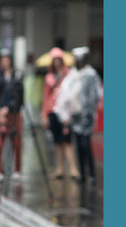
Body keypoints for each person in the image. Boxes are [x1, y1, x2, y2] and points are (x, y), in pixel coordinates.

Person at [54, 46, 102, 186]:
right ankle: (82, 173)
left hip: (86, 116)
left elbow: (95, 95)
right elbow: (65, 94)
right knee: (78, 146)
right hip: (74, 115)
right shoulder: (73, 75)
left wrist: (88, 112)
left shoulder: (91, 75)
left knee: (85, 144)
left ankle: (91, 174)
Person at [41, 47, 79, 181]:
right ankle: (60, 169)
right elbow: (45, 97)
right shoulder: (48, 77)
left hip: (65, 113)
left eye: (59, 59)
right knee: (57, 141)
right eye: (54, 59)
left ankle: (73, 169)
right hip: (52, 111)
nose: (56, 62)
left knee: (67, 141)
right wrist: (44, 115)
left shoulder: (69, 75)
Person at [0, 50, 24, 182]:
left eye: (7, 59)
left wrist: (9, 108)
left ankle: (17, 169)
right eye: (2, 59)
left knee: (16, 142)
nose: (5, 62)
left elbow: (20, 97)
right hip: (0, 114)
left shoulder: (17, 76)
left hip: (14, 113)